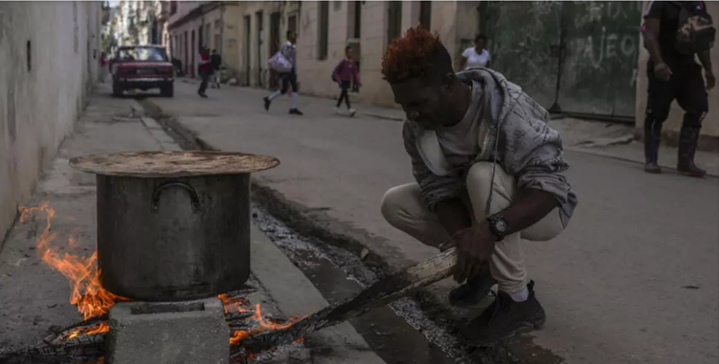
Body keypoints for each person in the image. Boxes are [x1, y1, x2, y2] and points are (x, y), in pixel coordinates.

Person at [379, 27, 578, 346]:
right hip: (480, 211)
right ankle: (483, 268)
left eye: (417, 103)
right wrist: (466, 240)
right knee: (394, 203)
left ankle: (518, 301)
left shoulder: (505, 109)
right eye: (404, 106)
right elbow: (437, 190)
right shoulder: (416, 129)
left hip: (540, 212)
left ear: (446, 83)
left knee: (482, 175)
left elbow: (551, 187)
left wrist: (487, 231)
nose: (411, 114)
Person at [642, 1, 714, 177]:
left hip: (688, 66)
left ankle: (685, 162)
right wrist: (658, 63)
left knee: (699, 107)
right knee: (657, 112)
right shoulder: (659, 3)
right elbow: (650, 35)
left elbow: (702, 41)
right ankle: (651, 159)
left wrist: (708, 70)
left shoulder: (698, 5)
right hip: (664, 62)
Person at [263, 30, 303, 115]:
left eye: (295, 36)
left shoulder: (292, 46)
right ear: (289, 36)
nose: (295, 37)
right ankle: (293, 108)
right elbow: (285, 56)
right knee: (292, 87)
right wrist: (291, 49)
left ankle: (269, 99)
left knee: (285, 89)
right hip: (286, 70)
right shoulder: (287, 46)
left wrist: (295, 69)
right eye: (293, 35)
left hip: (290, 69)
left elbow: (293, 60)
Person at [333, 46, 362, 117]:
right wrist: (338, 80)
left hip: (348, 81)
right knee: (345, 94)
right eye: (349, 52)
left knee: (343, 94)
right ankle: (350, 109)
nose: (350, 54)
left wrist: (358, 81)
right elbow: (336, 71)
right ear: (346, 53)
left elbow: (356, 73)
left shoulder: (352, 63)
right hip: (342, 80)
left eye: (351, 52)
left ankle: (337, 107)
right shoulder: (343, 62)